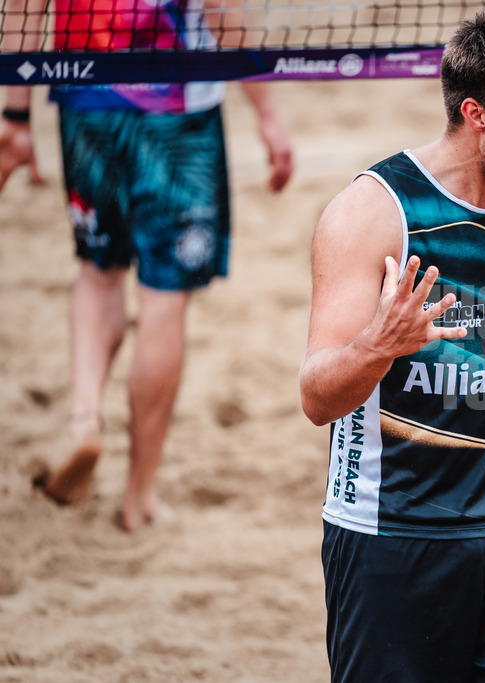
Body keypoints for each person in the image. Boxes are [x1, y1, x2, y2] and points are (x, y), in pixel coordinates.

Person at [299, 9, 485, 682]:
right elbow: (316, 396)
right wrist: (379, 345)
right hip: (393, 531)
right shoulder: (374, 212)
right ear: (476, 113)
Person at [0, 0, 294, 532]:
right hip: (177, 108)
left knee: (98, 272)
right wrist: (267, 114)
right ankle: (140, 499)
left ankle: (85, 417)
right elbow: (220, 9)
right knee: (163, 298)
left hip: (86, 96)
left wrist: (15, 115)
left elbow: (24, 5)